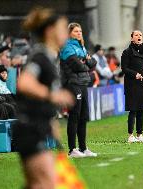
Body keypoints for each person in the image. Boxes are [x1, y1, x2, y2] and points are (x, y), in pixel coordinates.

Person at [12, 7, 74, 189]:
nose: (66, 34)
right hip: (29, 128)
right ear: (49, 31)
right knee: (45, 183)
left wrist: (52, 125)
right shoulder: (40, 56)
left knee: (37, 184)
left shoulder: (50, 57)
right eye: (63, 29)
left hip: (38, 127)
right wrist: (53, 95)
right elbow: (24, 83)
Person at [60, 22, 97, 158]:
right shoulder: (67, 47)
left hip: (83, 82)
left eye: (80, 31)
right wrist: (85, 63)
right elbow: (77, 66)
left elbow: (93, 62)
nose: (79, 33)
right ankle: (72, 149)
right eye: (76, 31)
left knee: (83, 116)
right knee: (74, 115)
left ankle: (83, 148)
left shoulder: (81, 47)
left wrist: (85, 62)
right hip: (72, 83)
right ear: (69, 33)